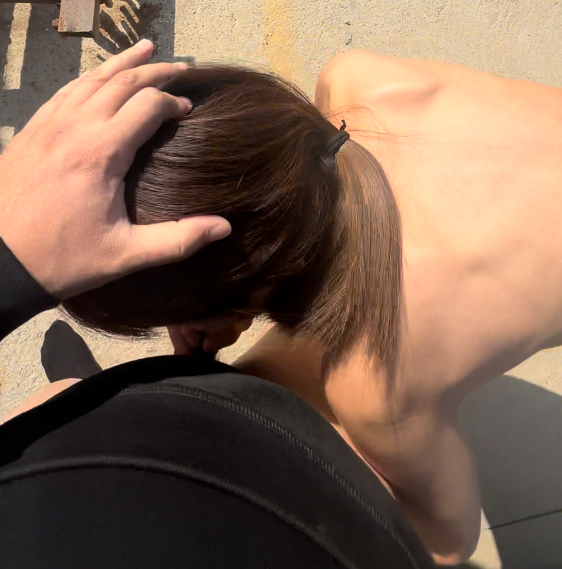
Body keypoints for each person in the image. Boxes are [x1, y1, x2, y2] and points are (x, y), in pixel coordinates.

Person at [32, 47, 562, 565]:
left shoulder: (377, 381)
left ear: (232, 299)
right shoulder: (357, 78)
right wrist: (214, 299)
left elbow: (448, 544)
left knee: (309, 408)